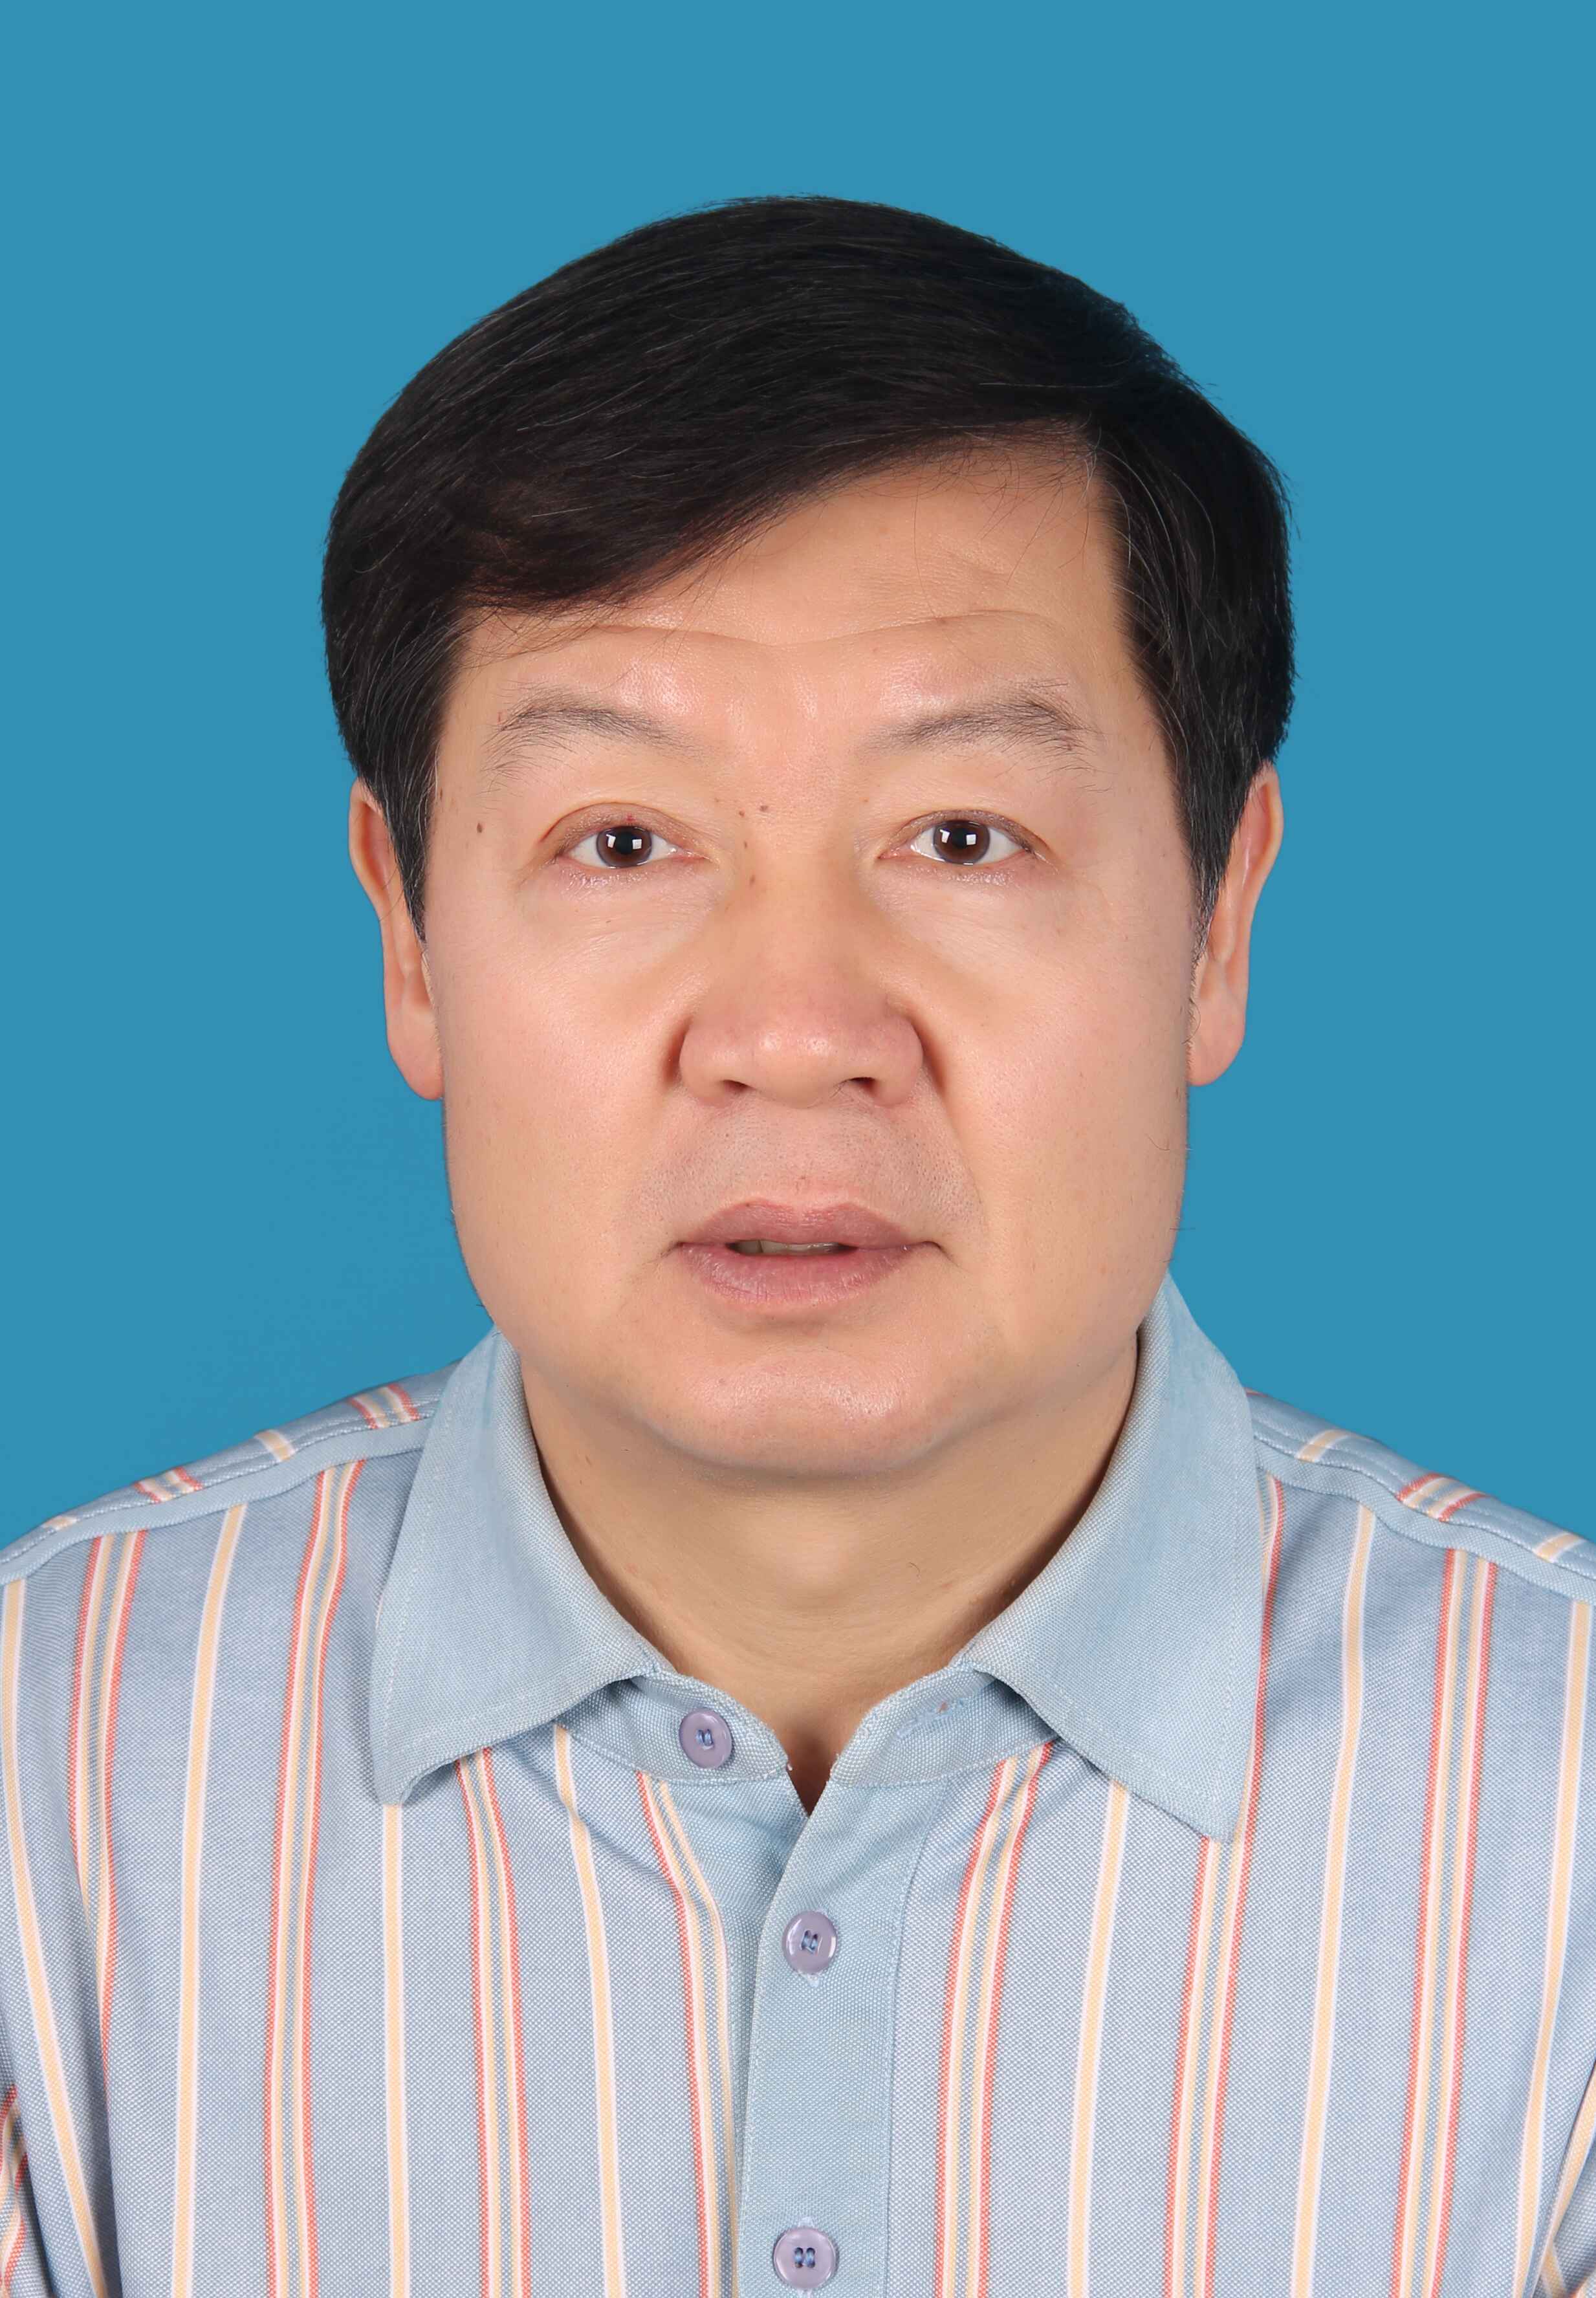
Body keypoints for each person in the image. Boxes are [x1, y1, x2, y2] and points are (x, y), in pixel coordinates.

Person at [1, 196, 1589, 2298]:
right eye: (623, 841)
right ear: (409, 937)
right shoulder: (37, 1782)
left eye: (961, 837)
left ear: (1218, 916)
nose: (792, 1030)